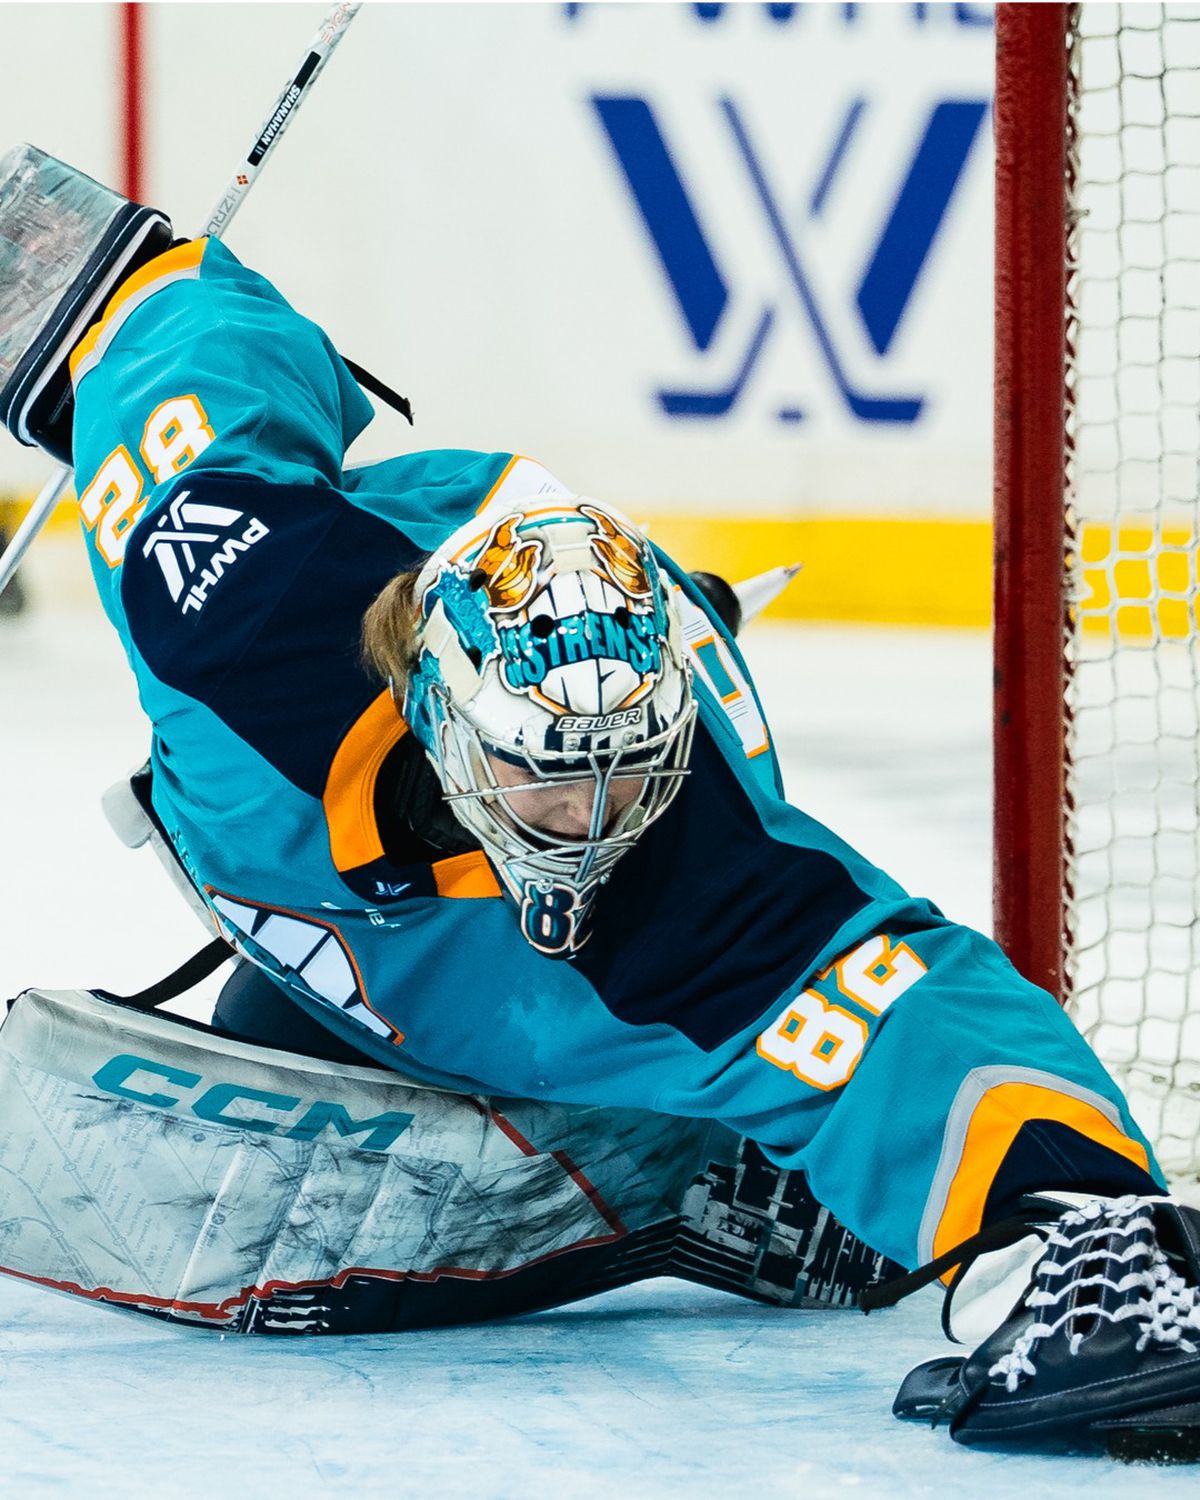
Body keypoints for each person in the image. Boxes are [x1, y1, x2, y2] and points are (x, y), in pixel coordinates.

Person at [6, 164, 1200, 1452]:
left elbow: (914, 1003)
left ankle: (687, 1140)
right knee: (289, 1005)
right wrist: (76, 281)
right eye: (545, 776)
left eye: (622, 774)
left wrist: (1083, 1227)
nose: (588, 823)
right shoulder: (243, 614)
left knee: (648, 1023)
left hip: (516, 931)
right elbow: (165, 349)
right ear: (445, 728)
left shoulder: (687, 876)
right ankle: (662, 1121)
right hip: (351, 760)